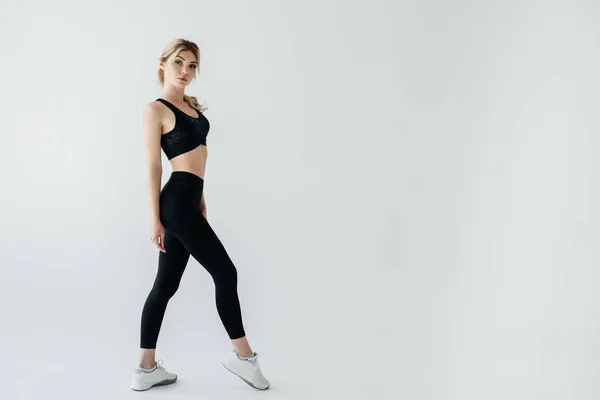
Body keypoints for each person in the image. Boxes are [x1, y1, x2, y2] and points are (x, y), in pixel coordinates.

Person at [130, 38, 270, 392]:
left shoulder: (192, 108)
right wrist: (155, 219)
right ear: (162, 63)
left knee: (166, 285)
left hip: (189, 202)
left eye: (192, 65)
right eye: (179, 62)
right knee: (226, 271)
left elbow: (198, 161)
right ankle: (242, 356)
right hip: (174, 203)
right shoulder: (155, 109)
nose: (185, 71)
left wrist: (202, 198)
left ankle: (146, 369)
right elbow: (152, 166)